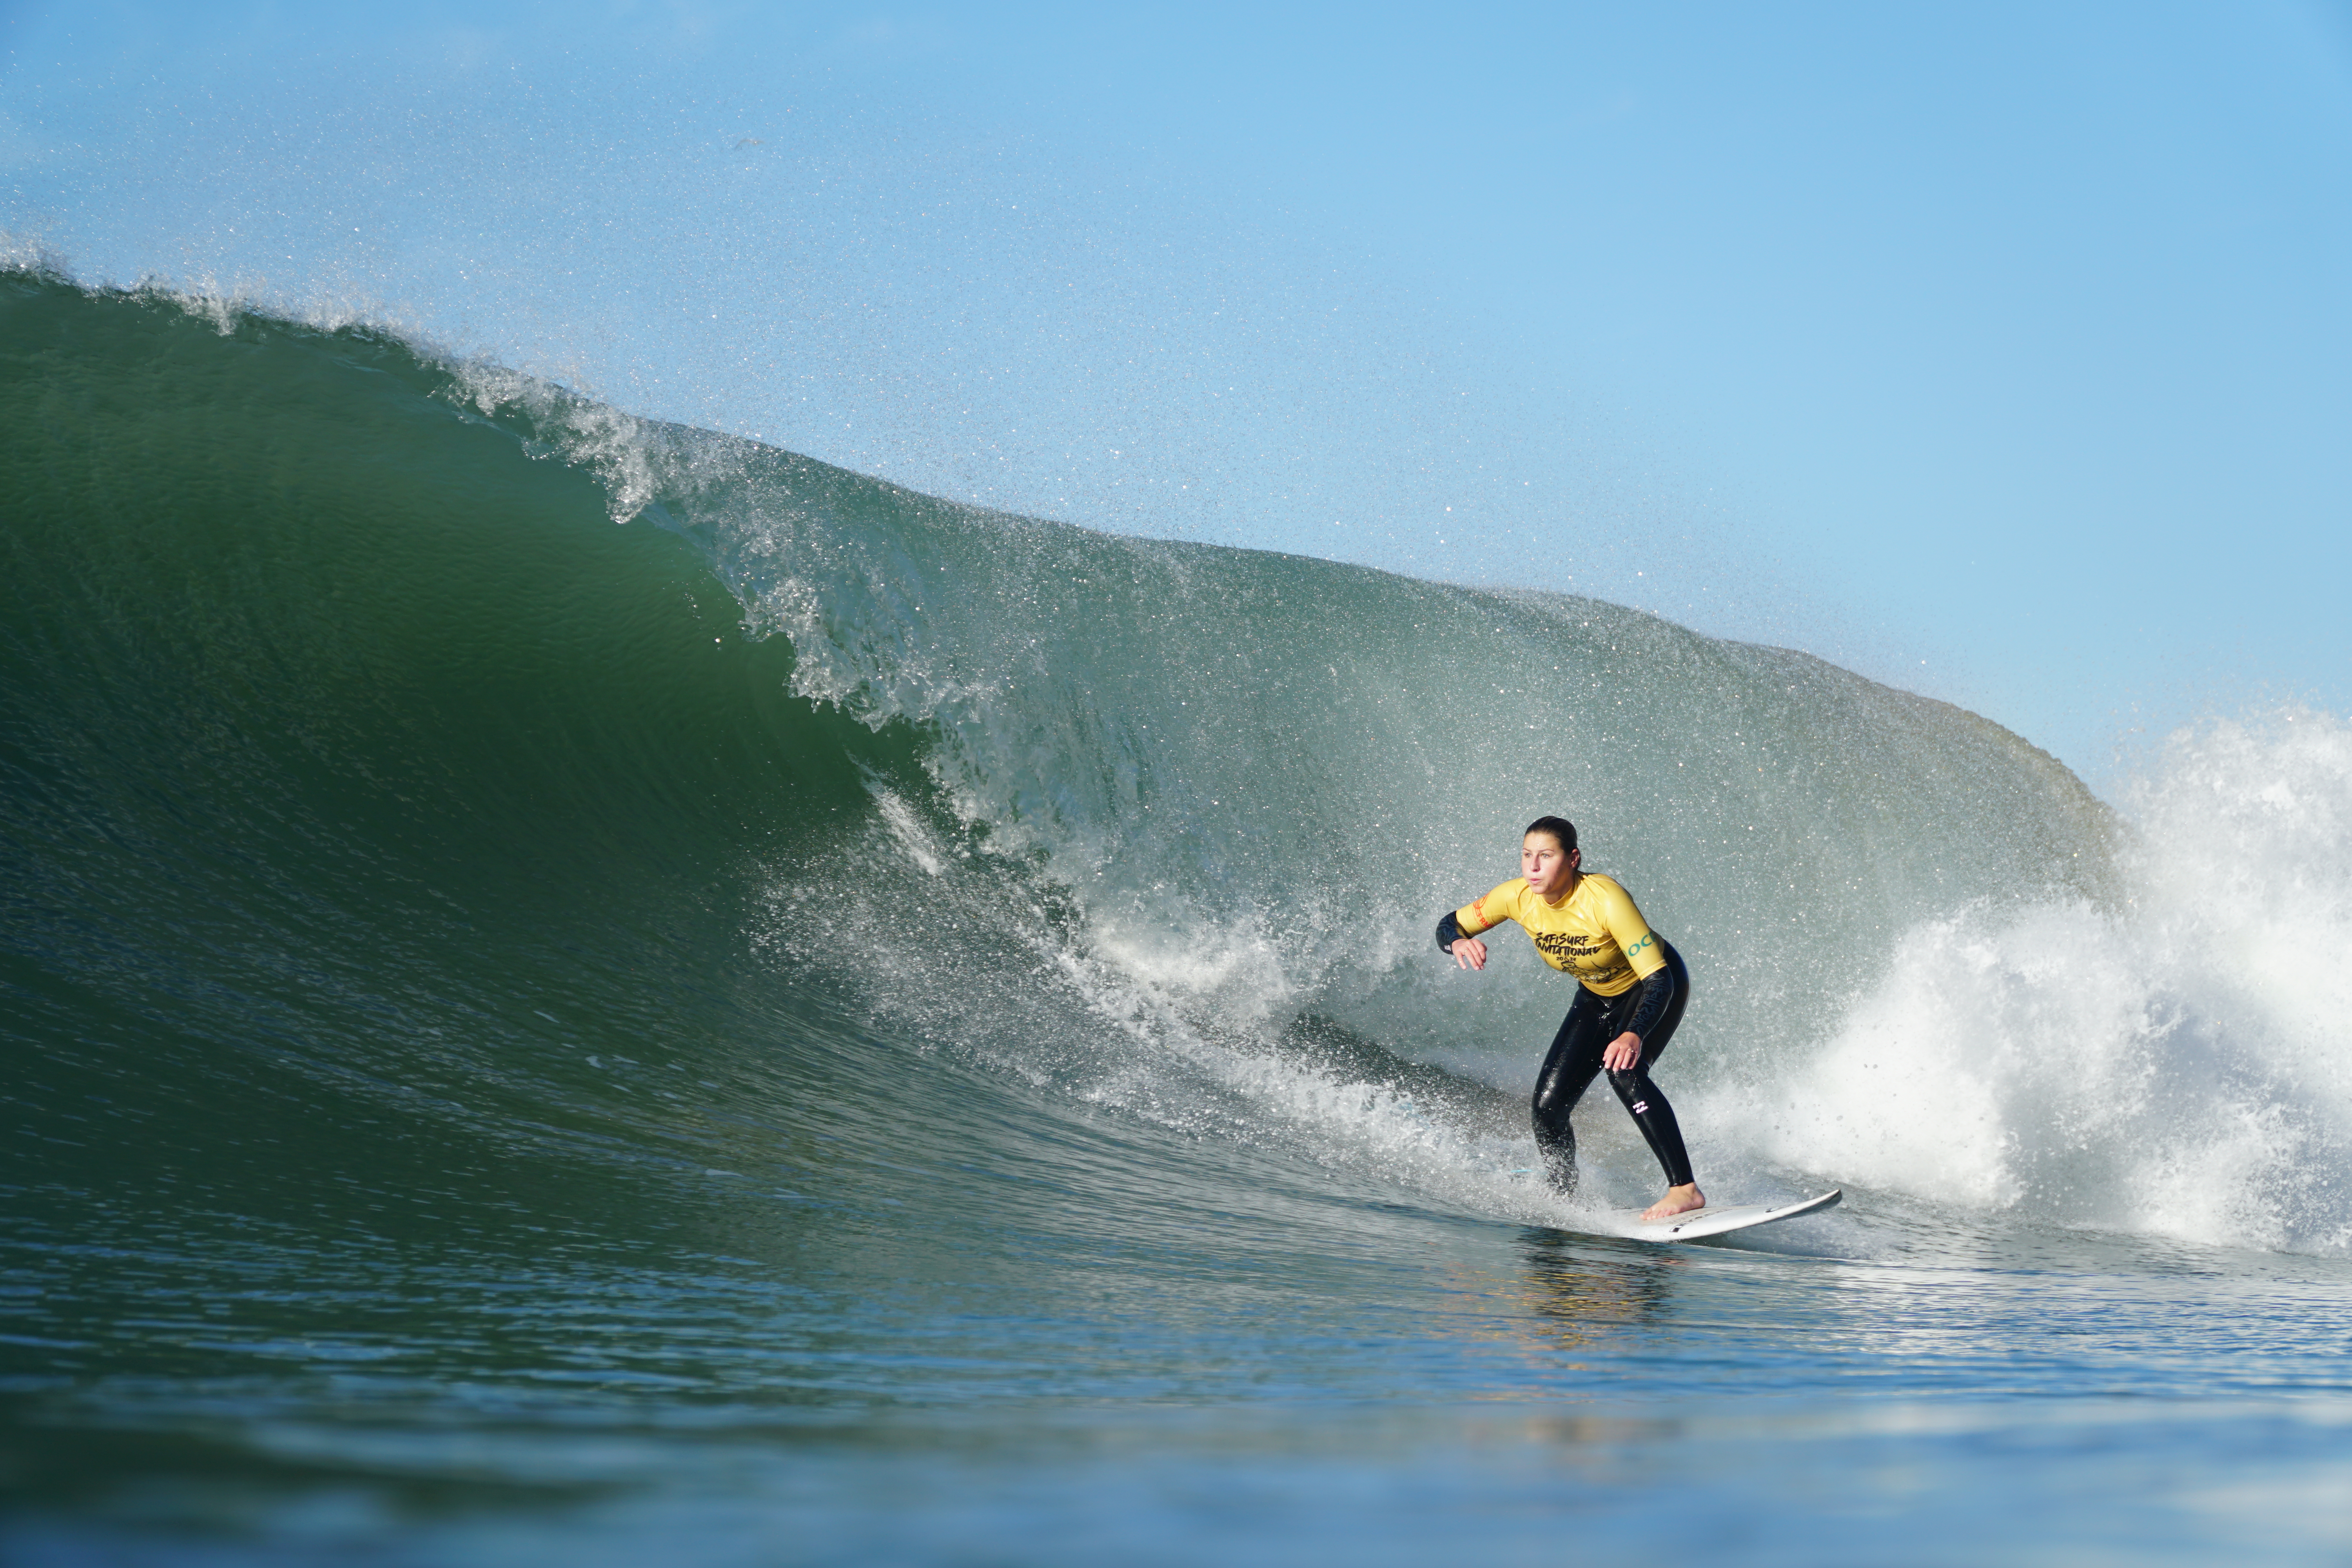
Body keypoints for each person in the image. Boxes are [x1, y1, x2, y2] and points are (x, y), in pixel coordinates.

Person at [1437, 816, 1704, 1222]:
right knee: (1547, 1108)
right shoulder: (1515, 897)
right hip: (1596, 996)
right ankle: (1564, 1192)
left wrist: (1632, 1033)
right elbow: (1449, 924)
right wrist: (1457, 941)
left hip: (1652, 986)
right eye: (1527, 856)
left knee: (1626, 1073)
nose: (1534, 867)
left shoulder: (1605, 898)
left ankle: (1684, 1189)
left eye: (1546, 856)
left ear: (1573, 858)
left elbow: (1659, 979)